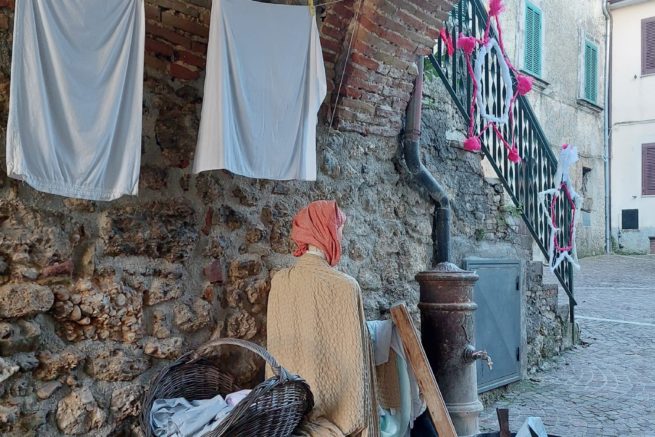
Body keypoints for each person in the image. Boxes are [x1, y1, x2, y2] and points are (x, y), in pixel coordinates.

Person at [266, 200, 379, 437]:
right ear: (324, 231)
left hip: (285, 412)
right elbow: (355, 363)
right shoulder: (346, 287)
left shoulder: (280, 281)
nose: (341, 237)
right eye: (339, 230)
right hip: (337, 415)